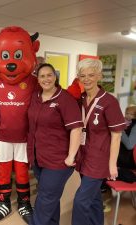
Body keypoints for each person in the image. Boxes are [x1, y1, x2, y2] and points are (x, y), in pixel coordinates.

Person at [72, 58, 126, 225]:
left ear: (99, 76)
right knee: (94, 199)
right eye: (82, 75)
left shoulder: (109, 101)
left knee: (80, 201)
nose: (86, 79)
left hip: (99, 159)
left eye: (91, 75)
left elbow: (116, 135)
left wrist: (111, 165)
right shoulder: (80, 98)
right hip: (84, 156)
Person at [27, 63, 83, 225]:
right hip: (38, 157)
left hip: (58, 160)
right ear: (37, 79)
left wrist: (71, 156)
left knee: (45, 197)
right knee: (51, 196)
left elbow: (76, 129)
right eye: (42, 76)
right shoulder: (35, 97)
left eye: (49, 75)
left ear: (55, 76)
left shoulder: (65, 99)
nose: (46, 79)